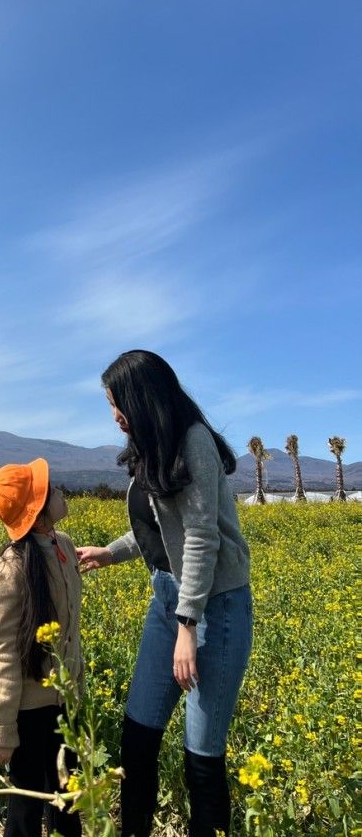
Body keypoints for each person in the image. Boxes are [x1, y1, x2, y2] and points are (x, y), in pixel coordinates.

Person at [77, 351, 252, 837]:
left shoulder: (192, 441)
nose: (114, 415)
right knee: (138, 737)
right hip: (169, 604)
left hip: (214, 609)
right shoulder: (150, 446)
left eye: (117, 402)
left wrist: (187, 626)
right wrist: (111, 552)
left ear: (141, 397)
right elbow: (160, 529)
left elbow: (200, 536)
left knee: (202, 753)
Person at [0, 458, 83, 837]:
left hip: (64, 703)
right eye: (51, 490)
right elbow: (1, 653)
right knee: (26, 812)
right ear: (38, 513)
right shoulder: (9, 572)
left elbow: (71, 631)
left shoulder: (65, 546)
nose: (60, 492)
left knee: (68, 800)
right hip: (27, 712)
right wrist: (3, 729)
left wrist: (78, 689)